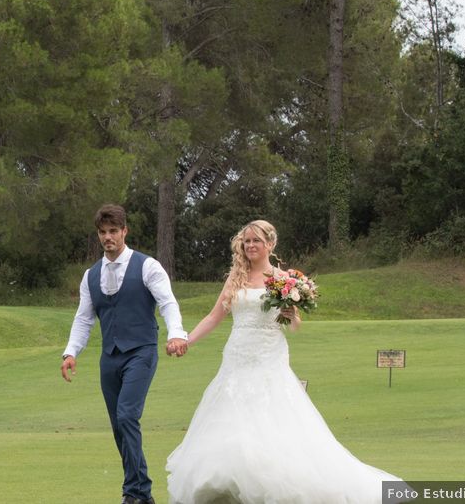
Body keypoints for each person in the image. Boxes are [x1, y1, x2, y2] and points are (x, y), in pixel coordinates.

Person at [166, 220, 403, 503]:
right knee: (231, 415)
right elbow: (214, 316)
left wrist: (292, 315)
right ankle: (227, 485)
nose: (250, 245)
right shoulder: (236, 277)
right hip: (237, 354)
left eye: (256, 240)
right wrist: (186, 340)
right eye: (246, 241)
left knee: (272, 415)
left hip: (269, 354)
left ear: (270, 244)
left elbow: (294, 325)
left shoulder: (285, 279)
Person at [61, 204, 189, 504]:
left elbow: (167, 302)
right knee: (119, 425)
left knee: (127, 415)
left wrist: (176, 333)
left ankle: (134, 493)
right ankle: (141, 491)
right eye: (103, 232)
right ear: (98, 235)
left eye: (113, 231)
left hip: (141, 351)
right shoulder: (90, 275)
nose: (108, 237)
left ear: (124, 232)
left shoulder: (147, 266)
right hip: (110, 357)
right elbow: (83, 318)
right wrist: (70, 352)